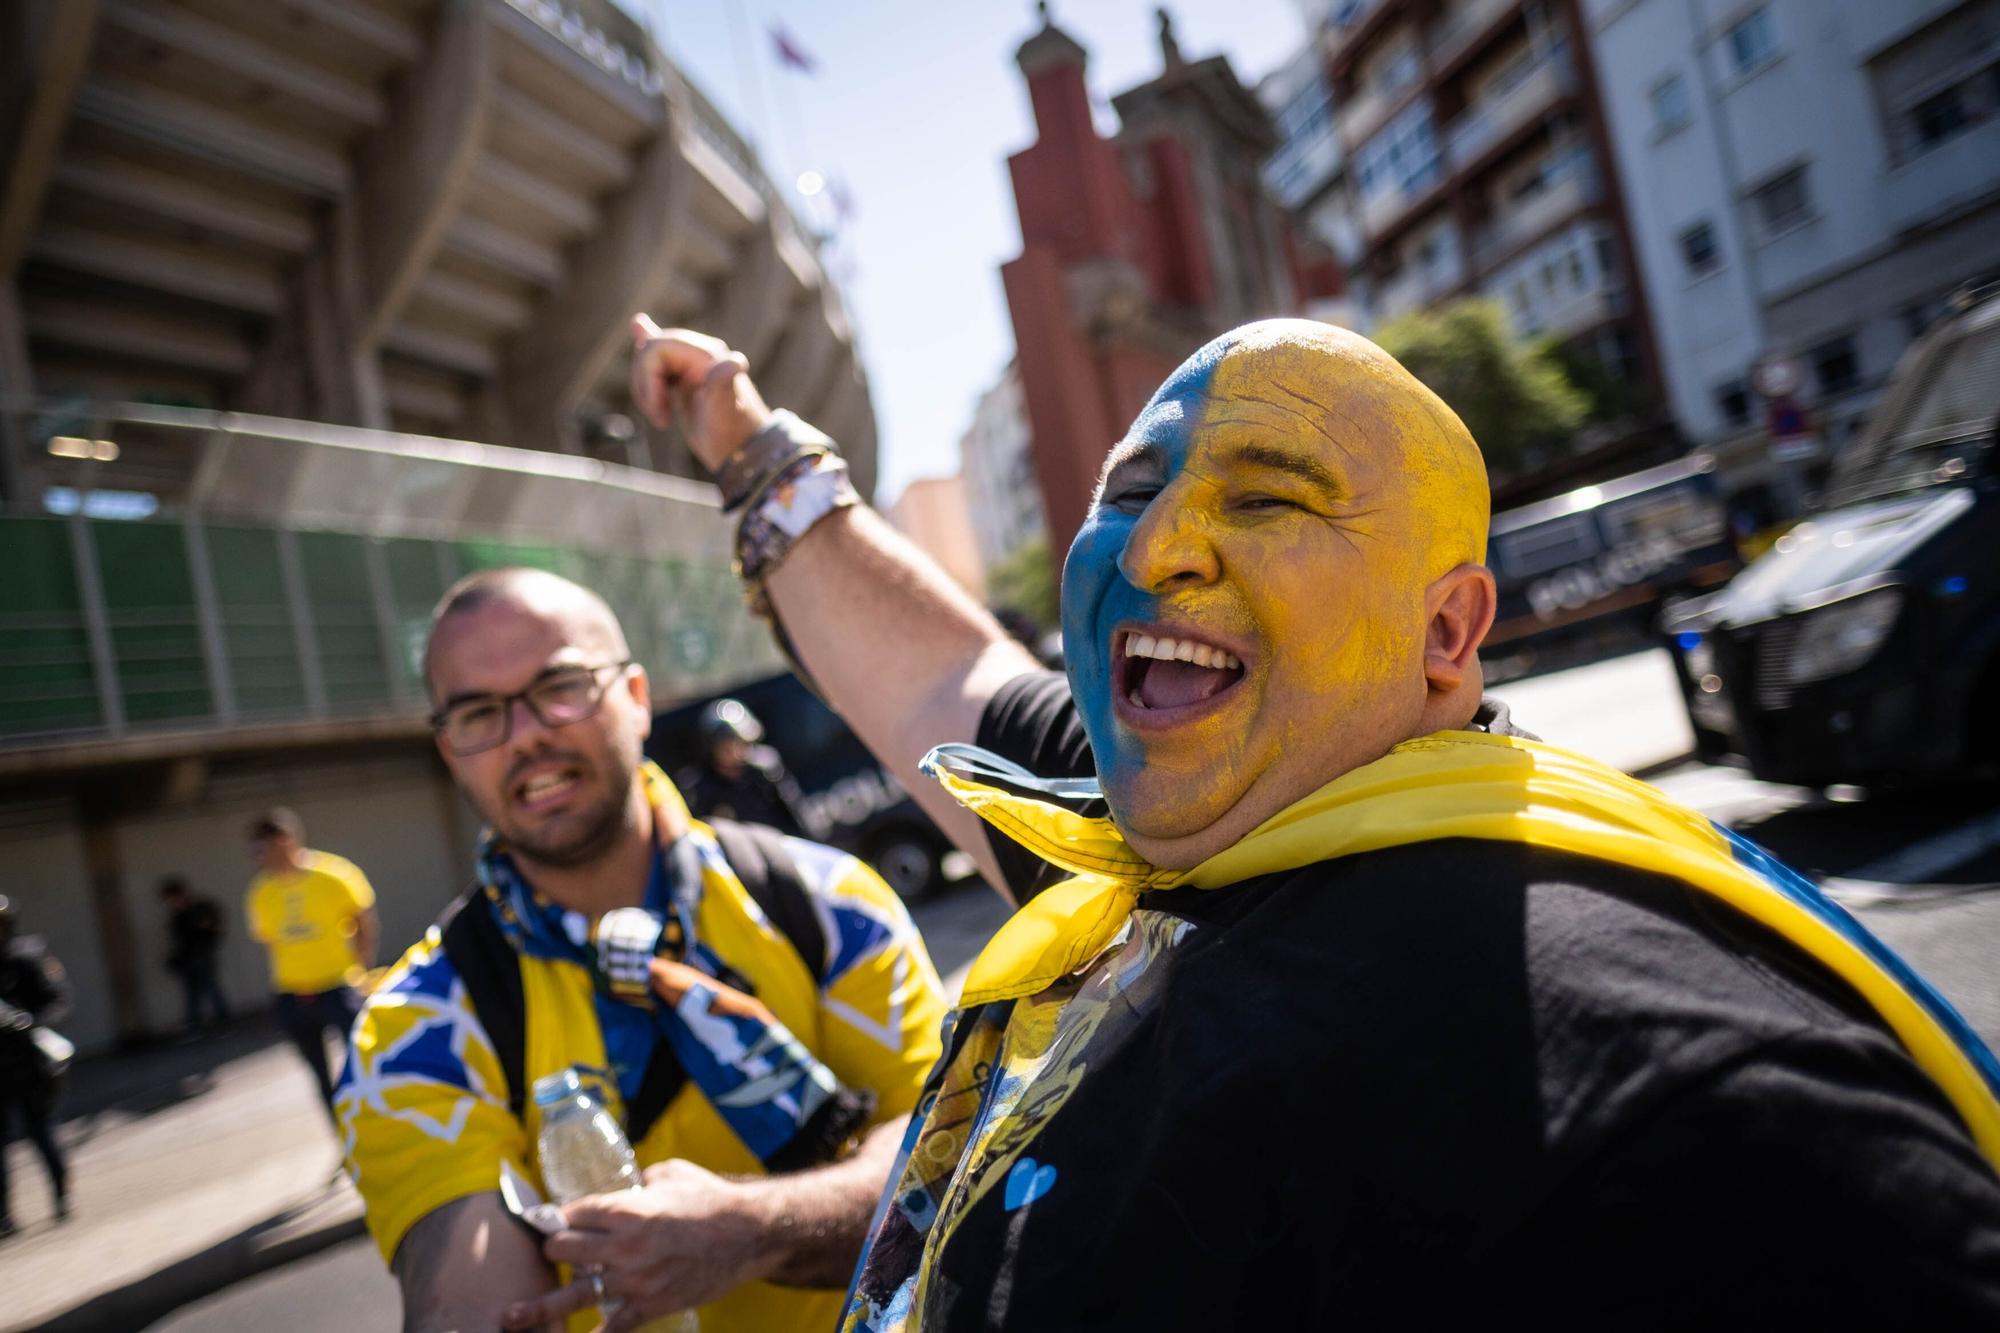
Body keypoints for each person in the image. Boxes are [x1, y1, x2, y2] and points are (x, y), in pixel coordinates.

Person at [615, 315, 2000, 1327]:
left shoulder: (1634, 1067)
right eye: (1133, 493)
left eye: (1268, 496)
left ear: (1446, 629)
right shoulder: (1154, 838)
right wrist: (751, 453)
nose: (1156, 548)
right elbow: (943, 679)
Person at [339, 567, 947, 1333]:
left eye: (558, 687)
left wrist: (754, 1231)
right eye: (477, 714)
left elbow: (950, 1157)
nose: (525, 734)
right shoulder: (413, 1029)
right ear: (449, 750)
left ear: (635, 698)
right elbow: (467, 1298)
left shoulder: (830, 904)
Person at [244, 808, 377, 1124]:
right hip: (292, 993)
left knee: (365, 1062)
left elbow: (364, 921)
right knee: (319, 1075)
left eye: (263, 847)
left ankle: (376, 1127)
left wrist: (359, 970)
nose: (258, 856)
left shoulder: (333, 874)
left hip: (338, 986)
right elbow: (269, 941)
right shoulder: (262, 891)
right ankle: (344, 1138)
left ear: (285, 841)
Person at [0, 896, 71, 1238]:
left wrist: (29, 1023)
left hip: (29, 1064)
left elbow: (59, 1002)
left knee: (41, 1132)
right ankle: (3, 1215)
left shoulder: (28, 957)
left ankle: (61, 1195)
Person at [676, 698, 807, 835]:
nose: (733, 749)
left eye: (738, 740)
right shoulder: (696, 786)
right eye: (725, 743)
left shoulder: (766, 771)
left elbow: (797, 815)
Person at [160, 876, 229, 1036]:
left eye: (170, 898)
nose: (169, 903)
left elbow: (210, 929)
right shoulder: (177, 914)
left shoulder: (197, 910)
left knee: (210, 988)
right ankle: (195, 1026)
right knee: (192, 993)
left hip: (201, 956)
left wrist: (206, 944)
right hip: (188, 958)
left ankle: (222, 1022)